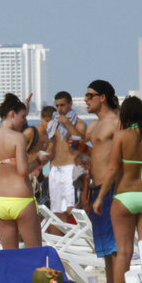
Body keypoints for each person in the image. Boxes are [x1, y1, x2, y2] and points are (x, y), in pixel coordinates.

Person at [91, 96, 142, 283]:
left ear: (124, 115)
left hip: (125, 197)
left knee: (124, 252)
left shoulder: (121, 136)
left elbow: (112, 170)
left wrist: (100, 197)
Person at [0, 93, 45, 249]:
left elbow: (8, 164)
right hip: (21, 199)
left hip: (0, 201)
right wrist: (39, 161)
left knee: (10, 255)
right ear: (12, 113)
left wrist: (24, 106)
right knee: (35, 253)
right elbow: (23, 170)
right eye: (23, 117)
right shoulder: (18, 138)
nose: (25, 121)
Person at [82, 80, 120, 283]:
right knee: (105, 248)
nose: (85, 100)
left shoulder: (116, 121)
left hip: (111, 189)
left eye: (90, 96)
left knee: (114, 247)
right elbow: (98, 156)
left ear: (102, 98)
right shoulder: (94, 126)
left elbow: (121, 157)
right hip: (97, 189)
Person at [46, 92, 88, 222]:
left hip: (70, 168)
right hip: (55, 169)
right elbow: (52, 145)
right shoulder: (54, 124)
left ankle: (77, 235)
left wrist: (68, 124)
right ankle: (63, 237)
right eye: (57, 105)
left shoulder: (79, 123)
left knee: (72, 208)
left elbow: (81, 140)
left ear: (70, 104)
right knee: (56, 209)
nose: (59, 109)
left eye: (62, 105)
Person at [26, 107, 53, 207]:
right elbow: (16, 150)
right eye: (47, 121)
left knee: (40, 208)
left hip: (38, 174)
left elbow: (47, 156)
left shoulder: (50, 136)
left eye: (51, 122)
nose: (48, 124)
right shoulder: (31, 132)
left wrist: (38, 168)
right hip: (26, 174)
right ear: (41, 118)